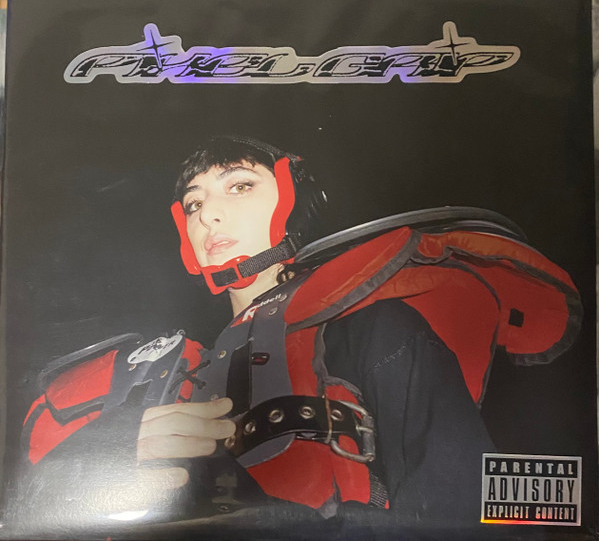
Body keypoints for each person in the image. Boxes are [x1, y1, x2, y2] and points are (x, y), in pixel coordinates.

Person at [14, 136, 581, 536]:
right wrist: (107, 450)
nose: (208, 214)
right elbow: (33, 511)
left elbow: (464, 510)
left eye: (238, 185)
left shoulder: (373, 327)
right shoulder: (157, 378)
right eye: (194, 203)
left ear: (293, 200)